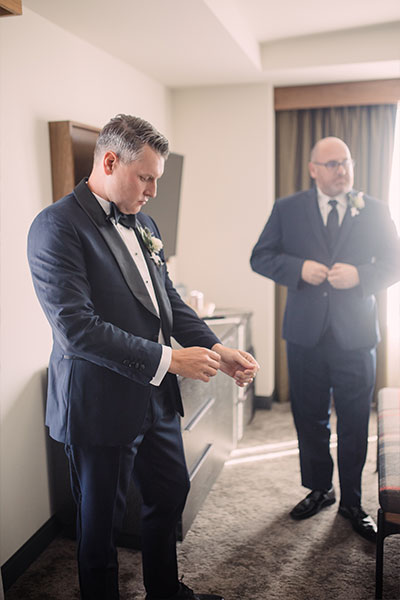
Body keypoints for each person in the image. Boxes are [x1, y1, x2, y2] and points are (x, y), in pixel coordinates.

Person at [28, 114, 259, 600]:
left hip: (154, 397)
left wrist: (218, 347)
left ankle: (164, 592)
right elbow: (77, 330)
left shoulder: (145, 222)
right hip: (97, 402)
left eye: (157, 179)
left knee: (169, 490)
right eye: (146, 177)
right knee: (101, 526)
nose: (153, 190)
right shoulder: (56, 226)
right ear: (109, 161)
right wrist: (172, 361)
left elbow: (167, 300)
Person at [250, 136, 400, 543]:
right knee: (310, 418)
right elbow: (260, 256)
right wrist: (299, 268)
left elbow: (395, 261)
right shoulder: (288, 208)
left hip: (356, 335)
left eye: (346, 162)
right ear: (313, 168)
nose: (341, 171)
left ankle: (353, 500)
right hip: (304, 335)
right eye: (332, 164)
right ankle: (320, 489)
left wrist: (362, 276)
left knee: (354, 422)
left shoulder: (375, 209)